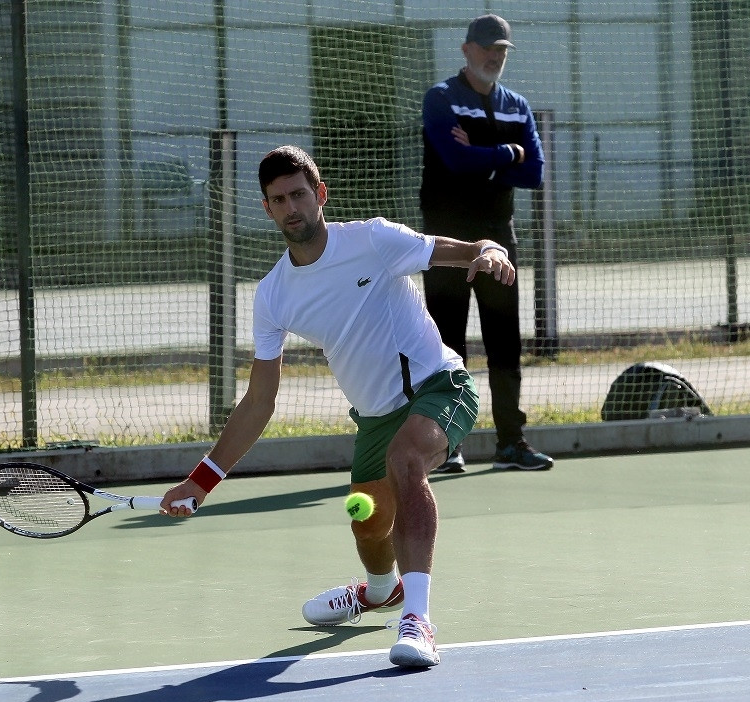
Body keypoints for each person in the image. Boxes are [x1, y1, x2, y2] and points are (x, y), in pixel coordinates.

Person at [160, 145, 517, 668]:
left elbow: (470, 248)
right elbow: (260, 399)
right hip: (374, 419)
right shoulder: (273, 296)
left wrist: (493, 253)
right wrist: (202, 480)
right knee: (368, 524)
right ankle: (378, 592)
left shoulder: (372, 240)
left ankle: (417, 622)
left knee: (407, 461)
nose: (291, 207)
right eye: (278, 199)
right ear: (267, 209)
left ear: (320, 195)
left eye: (299, 194)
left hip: (438, 387)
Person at [420, 14, 554, 473]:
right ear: (467, 50)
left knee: (504, 344)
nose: (495, 56)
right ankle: (446, 446)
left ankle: (511, 444)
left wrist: (486, 157)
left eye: (502, 49)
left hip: (500, 239)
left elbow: (534, 172)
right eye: (487, 48)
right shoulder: (440, 98)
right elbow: (454, 162)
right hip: (446, 242)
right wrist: (506, 153)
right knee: (446, 346)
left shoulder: (516, 105)